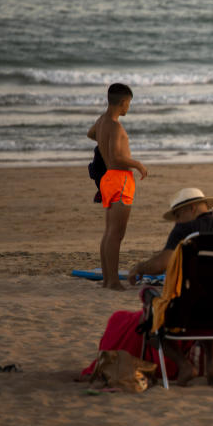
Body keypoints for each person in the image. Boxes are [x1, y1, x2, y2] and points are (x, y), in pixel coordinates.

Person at [128, 188, 213, 385]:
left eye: (178, 215)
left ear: (192, 208)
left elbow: (161, 263)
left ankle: (184, 364)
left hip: (187, 314)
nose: (176, 221)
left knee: (151, 320)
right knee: (212, 296)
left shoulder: (185, 231)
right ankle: (212, 363)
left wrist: (139, 267)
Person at [86, 83, 148, 291]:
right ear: (122, 102)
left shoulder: (101, 121)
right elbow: (117, 157)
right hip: (120, 179)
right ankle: (112, 281)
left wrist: (103, 143)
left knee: (109, 231)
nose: (128, 108)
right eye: (128, 104)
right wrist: (137, 164)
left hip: (109, 180)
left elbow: (91, 134)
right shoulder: (115, 126)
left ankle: (107, 279)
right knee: (116, 233)